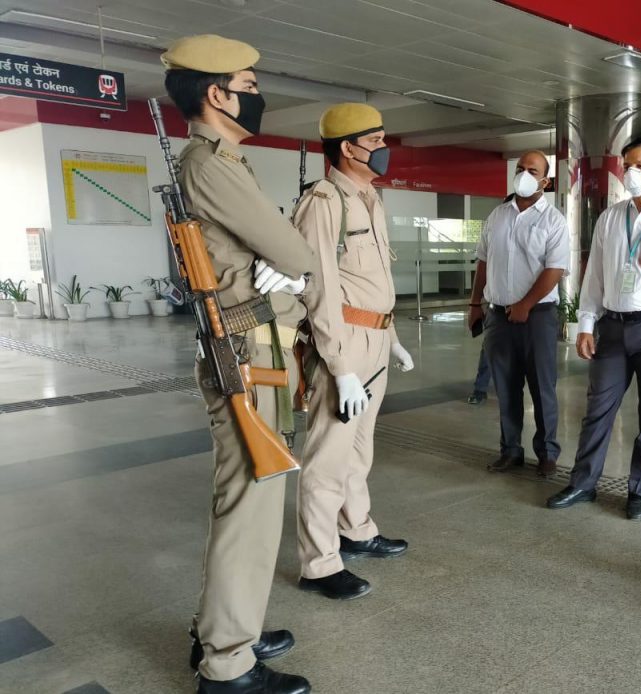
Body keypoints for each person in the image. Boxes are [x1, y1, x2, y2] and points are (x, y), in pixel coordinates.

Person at [162, 34, 315, 693]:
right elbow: (294, 251)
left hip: (253, 343)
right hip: (245, 347)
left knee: (244, 500)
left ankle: (226, 626)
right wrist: (286, 259)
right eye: (248, 87)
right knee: (250, 503)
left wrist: (279, 259)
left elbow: (280, 254)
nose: (257, 98)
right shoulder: (211, 163)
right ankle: (227, 662)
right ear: (216, 94)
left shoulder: (219, 160)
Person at [292, 103, 414, 601]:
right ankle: (319, 563)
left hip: (377, 339)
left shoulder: (370, 198)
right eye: (377, 139)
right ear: (348, 147)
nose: (385, 149)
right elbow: (318, 286)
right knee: (327, 457)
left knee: (359, 450)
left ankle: (356, 529)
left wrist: (393, 336)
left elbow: (371, 280)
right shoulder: (324, 201)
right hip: (343, 342)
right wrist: (339, 366)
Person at [546, 137, 641, 519]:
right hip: (612, 328)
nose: (631, 172)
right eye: (627, 165)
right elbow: (594, 275)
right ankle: (583, 483)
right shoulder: (611, 217)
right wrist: (585, 323)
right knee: (598, 408)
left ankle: (640, 491)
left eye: (640, 165)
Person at [468, 151, 570, 477]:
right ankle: (510, 450)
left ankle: (547, 453)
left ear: (546, 180)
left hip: (537, 317)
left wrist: (525, 304)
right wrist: (474, 305)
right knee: (507, 387)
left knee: (543, 388)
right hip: (499, 316)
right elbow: (483, 262)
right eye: (520, 168)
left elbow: (554, 270)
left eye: (532, 170)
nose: (524, 174)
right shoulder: (497, 216)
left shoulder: (553, 220)